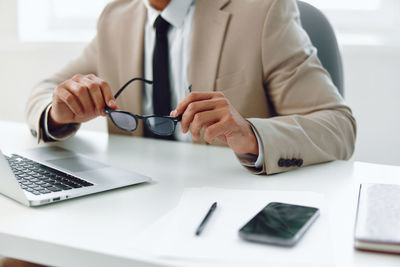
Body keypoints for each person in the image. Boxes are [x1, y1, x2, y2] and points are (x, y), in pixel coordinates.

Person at [3, 0, 357, 265]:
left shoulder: (263, 10)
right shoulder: (118, 16)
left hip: (222, 226)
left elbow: (338, 124)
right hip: (128, 218)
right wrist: (59, 111)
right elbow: (47, 89)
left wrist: (250, 132)